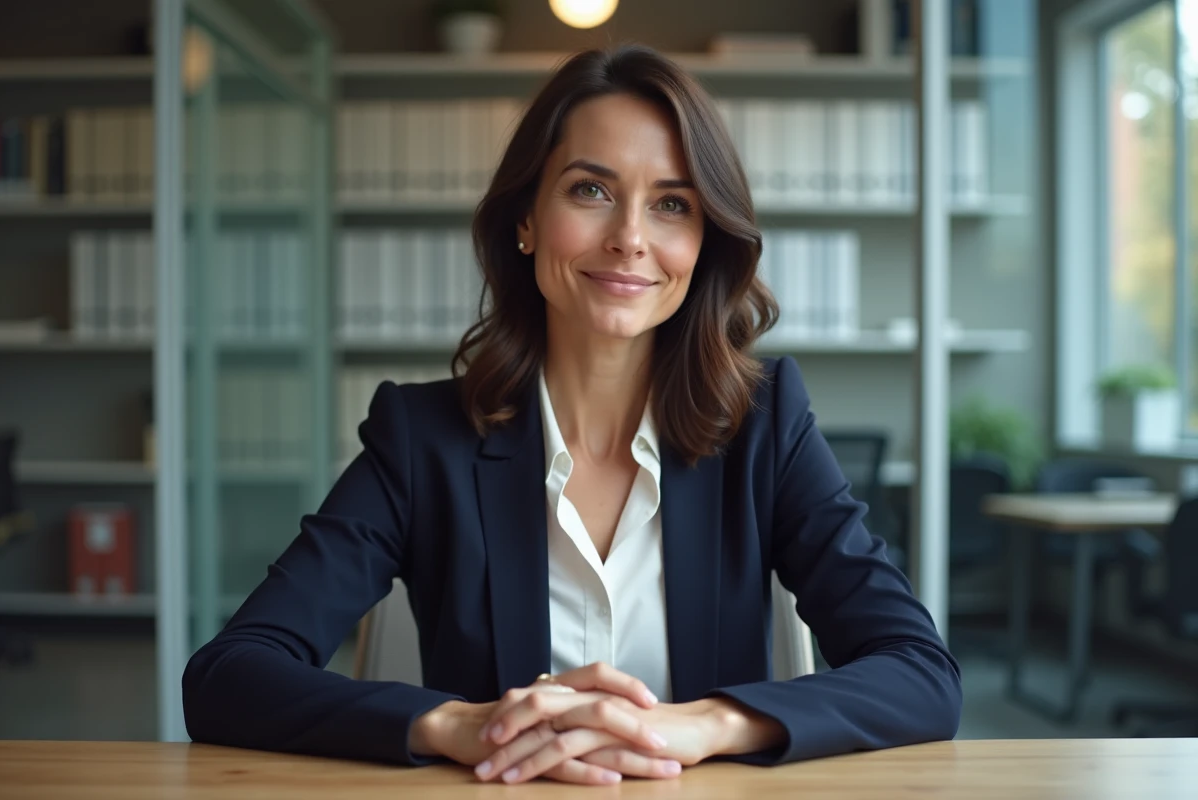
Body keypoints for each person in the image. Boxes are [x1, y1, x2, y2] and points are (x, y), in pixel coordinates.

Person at [183, 44, 961, 786]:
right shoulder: (422, 440)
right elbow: (228, 677)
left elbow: (920, 674)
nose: (629, 238)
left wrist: (707, 725)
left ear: (703, 240)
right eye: (591, 190)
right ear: (525, 218)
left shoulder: (766, 427)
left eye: (671, 204)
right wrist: (454, 725)